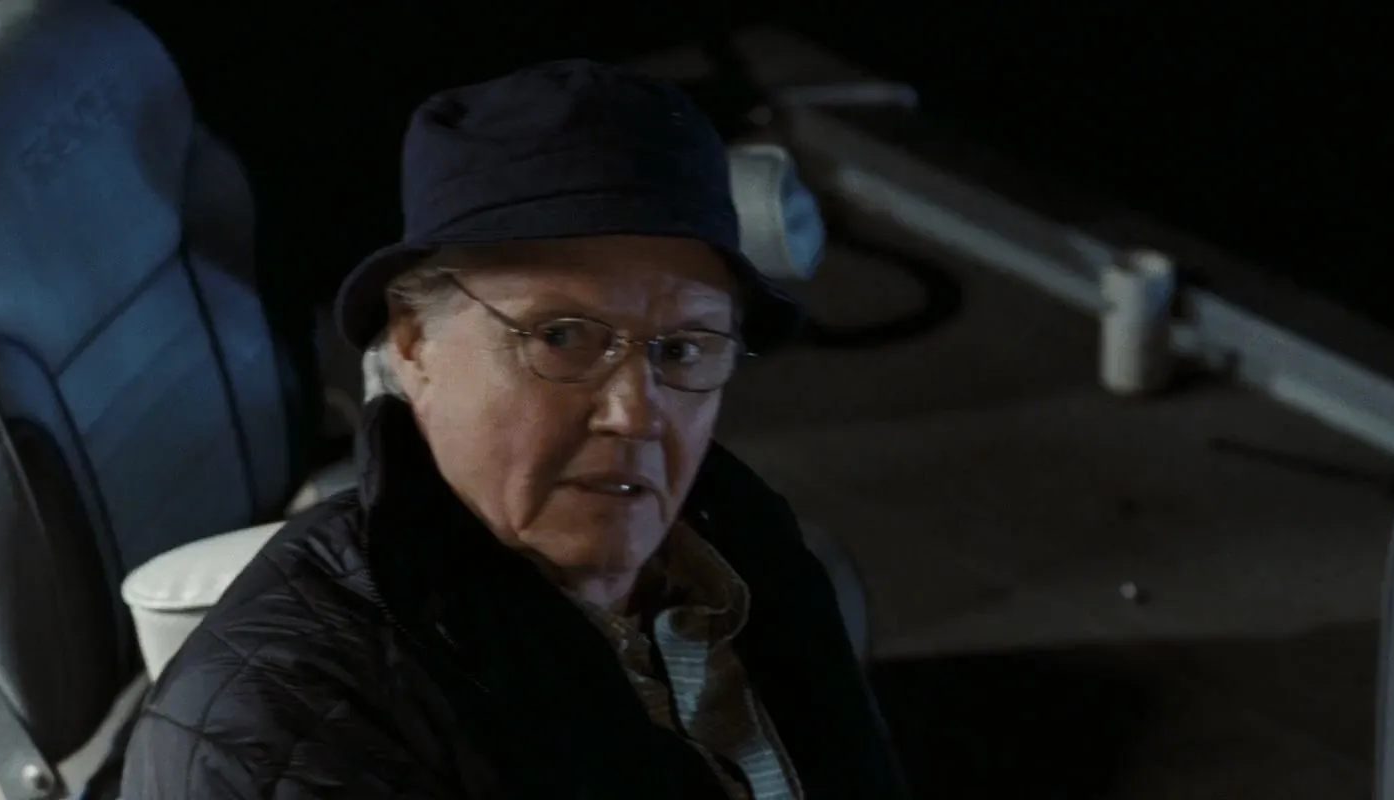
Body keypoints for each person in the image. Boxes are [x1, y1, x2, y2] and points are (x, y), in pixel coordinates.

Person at [122, 59, 904, 799]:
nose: (634, 412)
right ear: (413, 343)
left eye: (681, 349)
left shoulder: (745, 539)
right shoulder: (283, 728)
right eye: (561, 337)